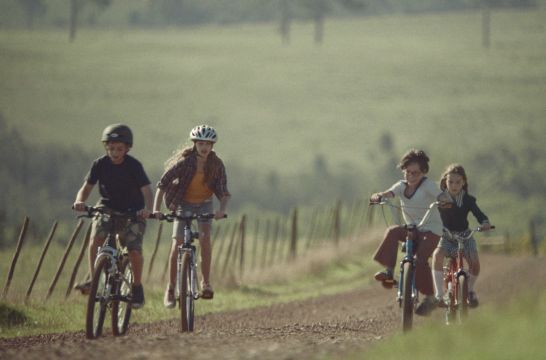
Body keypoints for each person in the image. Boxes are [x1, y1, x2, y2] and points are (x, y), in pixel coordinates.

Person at [73, 124, 153, 309]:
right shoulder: (100, 164)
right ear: (106, 147)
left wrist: (148, 209)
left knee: (133, 250)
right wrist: (79, 201)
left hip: (133, 210)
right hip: (107, 207)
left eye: (119, 149)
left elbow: (147, 191)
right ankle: (95, 281)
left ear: (127, 148)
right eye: (111, 148)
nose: (115, 152)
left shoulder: (134, 166)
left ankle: (137, 287)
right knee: (96, 239)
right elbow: (86, 188)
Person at [153, 125, 230, 308]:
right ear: (194, 144)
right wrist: (156, 209)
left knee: (205, 238)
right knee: (177, 242)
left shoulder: (216, 164)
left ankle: (206, 283)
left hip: (205, 203)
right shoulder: (185, 162)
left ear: (212, 146)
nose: (204, 147)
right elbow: (162, 184)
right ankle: (171, 288)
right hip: (183, 203)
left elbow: (224, 192)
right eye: (200, 143)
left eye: (208, 144)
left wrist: (221, 210)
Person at [370, 149, 443, 316]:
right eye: (407, 172)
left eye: (415, 173)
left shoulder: (428, 186)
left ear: (423, 172)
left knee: (421, 259)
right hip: (413, 229)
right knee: (393, 231)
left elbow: (442, 196)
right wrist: (378, 196)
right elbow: (388, 193)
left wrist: (444, 201)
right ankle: (389, 273)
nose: (410, 176)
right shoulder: (401, 186)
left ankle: (430, 297)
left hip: (431, 230)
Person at [420, 164, 491, 315]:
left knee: (475, 263)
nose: (454, 185)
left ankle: (470, 290)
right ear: (445, 181)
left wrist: (484, 223)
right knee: (437, 256)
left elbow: (479, 214)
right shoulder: (439, 199)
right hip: (446, 235)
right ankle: (439, 295)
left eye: (458, 182)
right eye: (451, 182)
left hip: (465, 236)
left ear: (463, 182)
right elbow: (430, 213)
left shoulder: (468, 200)